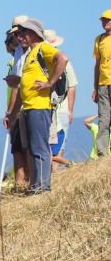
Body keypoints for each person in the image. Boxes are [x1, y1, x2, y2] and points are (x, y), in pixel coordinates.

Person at [7, 18, 69, 193]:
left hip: (40, 106)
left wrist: (50, 83)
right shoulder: (30, 54)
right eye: (19, 34)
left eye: (23, 33)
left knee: (39, 146)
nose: (20, 37)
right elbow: (23, 86)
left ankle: (43, 187)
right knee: (33, 147)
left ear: (34, 33)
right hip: (29, 107)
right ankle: (37, 184)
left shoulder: (43, 48)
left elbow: (62, 58)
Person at [4, 19, 33, 189]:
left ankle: (32, 181)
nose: (17, 37)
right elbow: (15, 86)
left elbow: (20, 84)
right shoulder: (17, 54)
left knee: (29, 146)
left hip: (31, 104)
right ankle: (21, 183)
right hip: (19, 106)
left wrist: (12, 111)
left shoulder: (35, 51)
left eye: (20, 33)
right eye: (14, 34)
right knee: (19, 147)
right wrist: (11, 111)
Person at [43, 30, 77, 169]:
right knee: (54, 146)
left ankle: (64, 167)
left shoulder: (62, 62)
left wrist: (69, 110)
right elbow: (73, 86)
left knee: (55, 147)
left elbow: (72, 86)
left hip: (58, 109)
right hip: (53, 109)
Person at [92, 10, 111, 158]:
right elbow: (97, 64)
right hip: (103, 84)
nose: (105, 22)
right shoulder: (99, 39)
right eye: (103, 20)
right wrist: (95, 88)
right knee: (104, 119)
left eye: (107, 20)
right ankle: (102, 154)